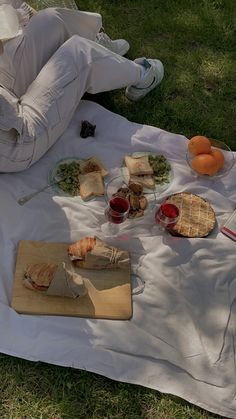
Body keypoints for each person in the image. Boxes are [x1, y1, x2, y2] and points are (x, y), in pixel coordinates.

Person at [0, 2, 164, 173]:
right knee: (78, 53)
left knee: (51, 21)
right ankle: (143, 75)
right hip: (17, 138)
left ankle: (100, 48)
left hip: (5, 96)